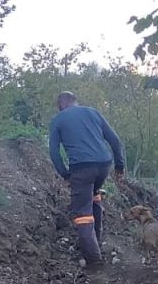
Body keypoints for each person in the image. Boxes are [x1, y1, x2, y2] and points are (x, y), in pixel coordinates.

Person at [48, 91, 125, 269]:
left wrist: (65, 174)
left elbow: (53, 152)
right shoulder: (92, 112)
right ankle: (95, 241)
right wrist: (119, 166)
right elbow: (114, 140)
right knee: (94, 195)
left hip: (81, 168)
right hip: (104, 165)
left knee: (82, 213)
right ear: (76, 102)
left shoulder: (58, 119)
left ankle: (94, 262)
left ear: (60, 105)